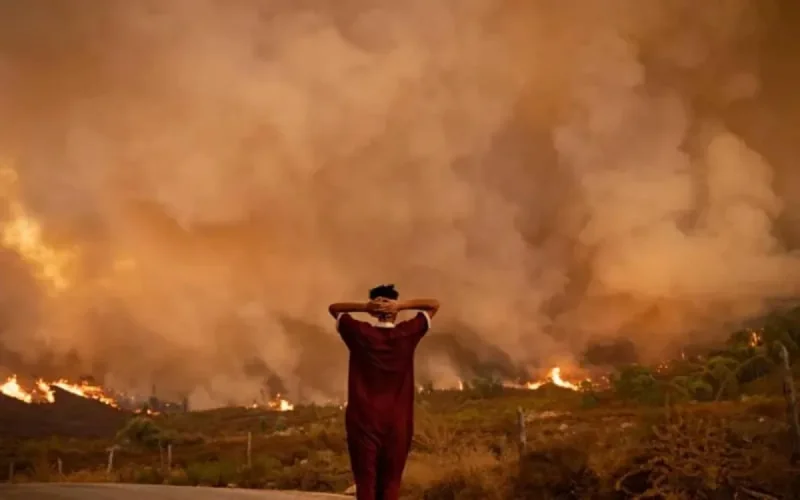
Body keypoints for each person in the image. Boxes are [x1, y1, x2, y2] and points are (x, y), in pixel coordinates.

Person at [328, 284, 439, 500]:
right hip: (398, 422)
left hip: (363, 420)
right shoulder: (407, 333)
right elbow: (434, 305)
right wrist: (401, 305)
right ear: (395, 310)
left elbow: (334, 308)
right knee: (391, 484)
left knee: (365, 483)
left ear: (373, 309)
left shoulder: (360, 333)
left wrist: (365, 306)